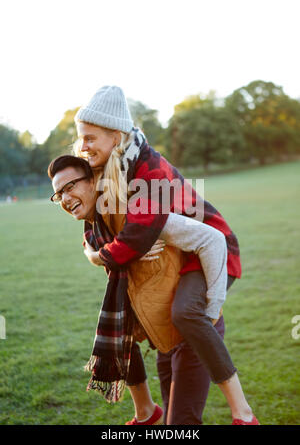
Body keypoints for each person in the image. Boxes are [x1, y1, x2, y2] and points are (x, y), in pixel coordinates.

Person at [69, 85, 259, 425]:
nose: (83, 146)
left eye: (90, 137)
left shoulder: (150, 168)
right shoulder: (111, 169)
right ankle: (147, 411)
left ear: (116, 135)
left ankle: (243, 413)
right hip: (177, 255)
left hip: (210, 251)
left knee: (187, 312)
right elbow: (101, 225)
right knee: (124, 320)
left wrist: (98, 257)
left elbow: (136, 237)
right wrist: (96, 245)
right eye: (80, 137)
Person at [48, 155, 231, 425]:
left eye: (70, 186)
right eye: (58, 194)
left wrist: (131, 245)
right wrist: (100, 254)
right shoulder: (97, 233)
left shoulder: (138, 217)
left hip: (192, 332)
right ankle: (146, 411)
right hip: (164, 336)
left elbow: (212, 239)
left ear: (94, 181)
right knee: (175, 419)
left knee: (182, 423)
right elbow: (124, 286)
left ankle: (242, 413)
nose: (64, 198)